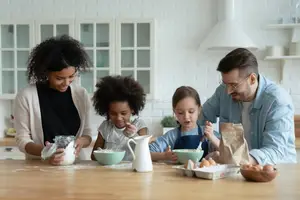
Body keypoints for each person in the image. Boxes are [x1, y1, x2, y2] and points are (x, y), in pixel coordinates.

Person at [199, 48, 297, 165]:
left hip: (277, 172)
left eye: (234, 85)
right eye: (226, 84)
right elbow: (201, 117)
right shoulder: (223, 92)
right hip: (236, 170)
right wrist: (215, 144)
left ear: (252, 79)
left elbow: (275, 151)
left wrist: (235, 159)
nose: (228, 91)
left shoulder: (277, 100)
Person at [14, 35, 92, 165]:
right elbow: (22, 140)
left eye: (71, 76)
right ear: (45, 73)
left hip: (76, 165)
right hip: (39, 167)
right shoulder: (26, 96)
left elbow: (87, 134)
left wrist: (81, 142)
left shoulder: (81, 94)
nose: (66, 83)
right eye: (59, 78)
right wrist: (46, 152)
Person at [149, 86, 219, 162]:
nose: (186, 117)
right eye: (180, 113)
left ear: (199, 110)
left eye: (191, 111)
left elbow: (227, 151)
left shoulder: (207, 133)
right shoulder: (171, 136)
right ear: (174, 112)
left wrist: (212, 138)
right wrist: (164, 156)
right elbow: (147, 153)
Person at [91, 75, 148, 161]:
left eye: (123, 113)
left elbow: (146, 152)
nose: (118, 118)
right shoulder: (105, 127)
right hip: (108, 171)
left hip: (132, 171)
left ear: (132, 109)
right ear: (107, 111)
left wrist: (134, 136)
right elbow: (93, 156)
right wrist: (102, 154)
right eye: (113, 113)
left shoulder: (139, 125)